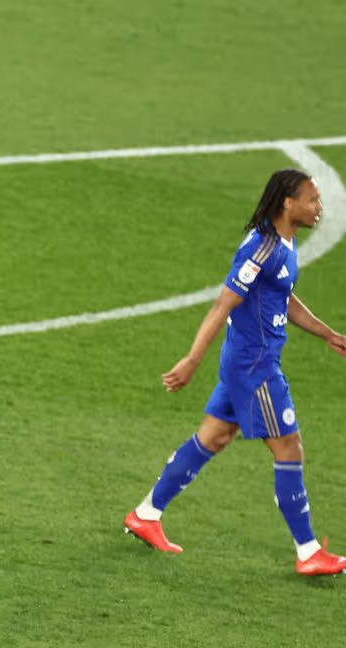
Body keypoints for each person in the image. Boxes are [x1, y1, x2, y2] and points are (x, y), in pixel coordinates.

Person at [123, 168, 346, 575]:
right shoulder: (262, 249)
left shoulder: (282, 243)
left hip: (247, 361)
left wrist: (326, 333)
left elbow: (282, 296)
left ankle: (146, 514)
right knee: (289, 447)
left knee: (215, 436)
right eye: (312, 199)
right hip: (254, 366)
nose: (319, 207)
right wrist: (192, 360)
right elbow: (222, 304)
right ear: (288, 203)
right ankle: (309, 551)